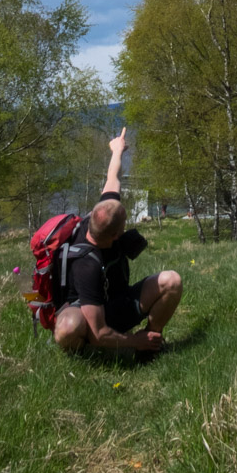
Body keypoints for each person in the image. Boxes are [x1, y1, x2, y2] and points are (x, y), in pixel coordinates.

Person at [54, 128, 182, 355]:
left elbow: (113, 177)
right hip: (87, 314)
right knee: (67, 329)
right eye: (123, 228)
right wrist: (133, 340)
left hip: (117, 301)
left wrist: (117, 149)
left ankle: (150, 345)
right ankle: (87, 353)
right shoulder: (87, 265)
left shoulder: (103, 214)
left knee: (172, 281)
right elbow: (99, 331)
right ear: (114, 235)